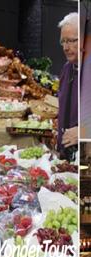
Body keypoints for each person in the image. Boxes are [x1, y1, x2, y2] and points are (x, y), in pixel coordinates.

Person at [57, 12, 78, 161]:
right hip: (68, 155)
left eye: (70, 41)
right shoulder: (66, 69)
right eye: (63, 41)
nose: (65, 47)